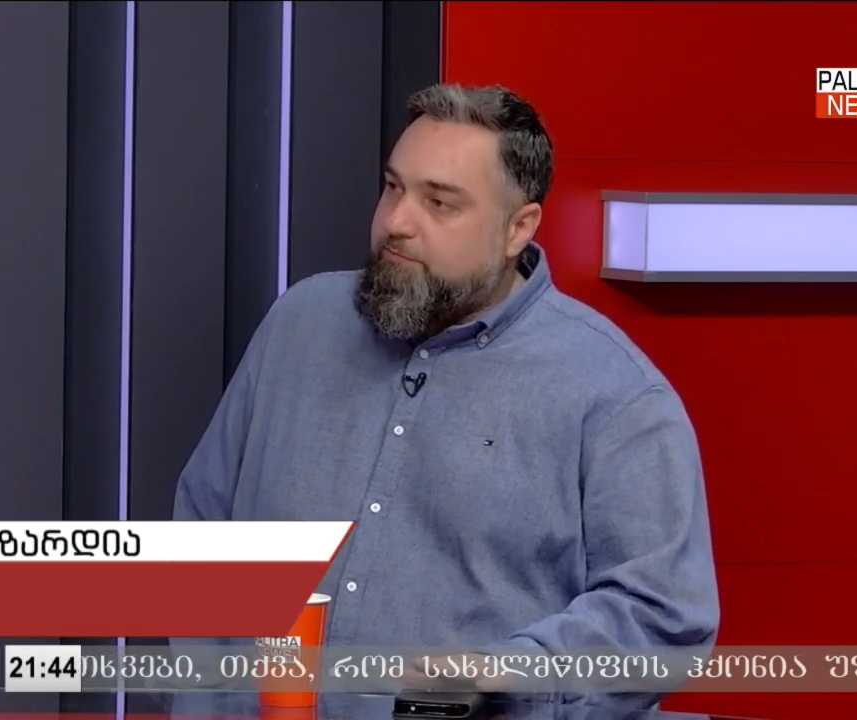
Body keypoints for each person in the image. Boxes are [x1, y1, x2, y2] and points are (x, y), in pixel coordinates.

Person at [173, 83, 719, 708]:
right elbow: (204, 523)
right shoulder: (300, 323)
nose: (396, 223)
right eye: (393, 187)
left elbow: (660, 616)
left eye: (439, 203)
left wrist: (507, 674)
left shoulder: (615, 395)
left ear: (518, 228)